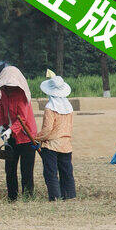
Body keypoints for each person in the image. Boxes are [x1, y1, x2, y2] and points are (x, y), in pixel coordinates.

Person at [0, 66, 38, 201]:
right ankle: (12, 197)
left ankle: (28, 197)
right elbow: (2, 112)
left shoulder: (21, 95)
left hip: (26, 136)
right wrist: (2, 127)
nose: (9, 87)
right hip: (11, 137)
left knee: (26, 170)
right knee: (10, 169)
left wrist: (11, 129)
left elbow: (23, 119)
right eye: (6, 84)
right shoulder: (2, 93)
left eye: (11, 84)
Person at [36, 70, 76, 201]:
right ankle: (69, 196)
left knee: (51, 173)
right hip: (66, 145)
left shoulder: (50, 108)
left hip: (52, 145)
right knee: (67, 173)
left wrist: (37, 137)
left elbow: (47, 130)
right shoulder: (69, 107)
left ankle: (55, 197)